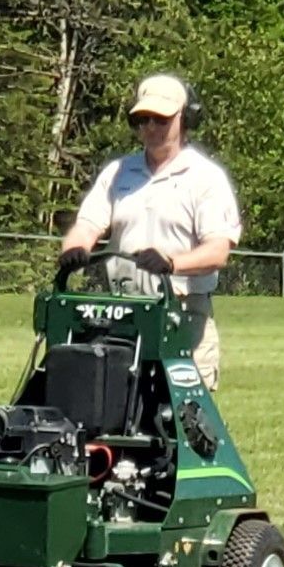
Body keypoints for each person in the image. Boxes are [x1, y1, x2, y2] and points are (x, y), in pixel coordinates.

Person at [56, 74, 241, 389]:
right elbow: (88, 224)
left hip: (183, 314)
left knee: (184, 421)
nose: (151, 128)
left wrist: (171, 263)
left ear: (185, 118)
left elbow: (218, 249)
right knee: (113, 407)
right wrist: (75, 248)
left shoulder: (205, 178)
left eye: (161, 119)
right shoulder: (118, 172)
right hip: (123, 312)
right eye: (143, 119)